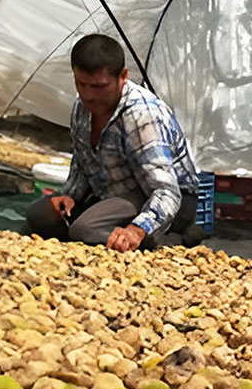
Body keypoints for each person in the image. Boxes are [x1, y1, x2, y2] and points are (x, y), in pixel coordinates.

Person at [24, 34, 201, 252]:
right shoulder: (81, 108)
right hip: (111, 195)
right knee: (39, 214)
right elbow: (82, 167)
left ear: (123, 76)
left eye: (99, 86)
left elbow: (167, 192)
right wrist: (68, 197)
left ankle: (167, 238)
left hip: (158, 199)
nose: (88, 95)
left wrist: (137, 230)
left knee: (85, 229)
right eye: (81, 84)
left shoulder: (142, 116)